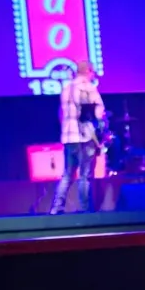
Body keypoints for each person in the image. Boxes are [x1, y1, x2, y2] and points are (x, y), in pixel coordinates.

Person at [50, 61, 105, 214]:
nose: (93, 75)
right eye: (92, 72)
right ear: (88, 71)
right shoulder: (89, 88)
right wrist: (99, 128)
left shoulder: (66, 88)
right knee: (85, 176)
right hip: (85, 137)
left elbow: (61, 113)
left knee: (67, 174)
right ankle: (86, 209)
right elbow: (99, 112)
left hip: (68, 138)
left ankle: (56, 207)